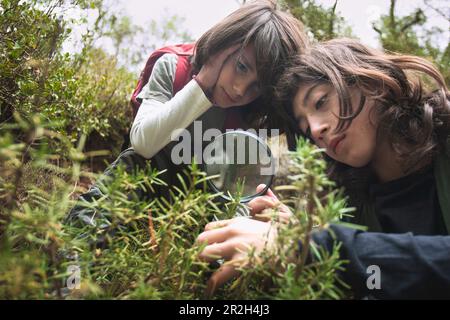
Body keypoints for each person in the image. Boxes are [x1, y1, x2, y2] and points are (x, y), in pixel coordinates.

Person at [197, 38, 450, 299]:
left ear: (371, 81)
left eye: (320, 102)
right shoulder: (352, 209)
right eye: (306, 128)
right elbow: (376, 280)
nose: (317, 130)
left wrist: (308, 248)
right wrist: (304, 242)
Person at [67, 0, 308, 226]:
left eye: (256, 86)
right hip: (143, 189)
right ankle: (73, 256)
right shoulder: (172, 68)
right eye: (241, 66)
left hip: (202, 207)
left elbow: (237, 192)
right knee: (135, 163)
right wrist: (203, 81)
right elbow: (142, 143)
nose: (240, 89)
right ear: (222, 46)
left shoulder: (252, 116)